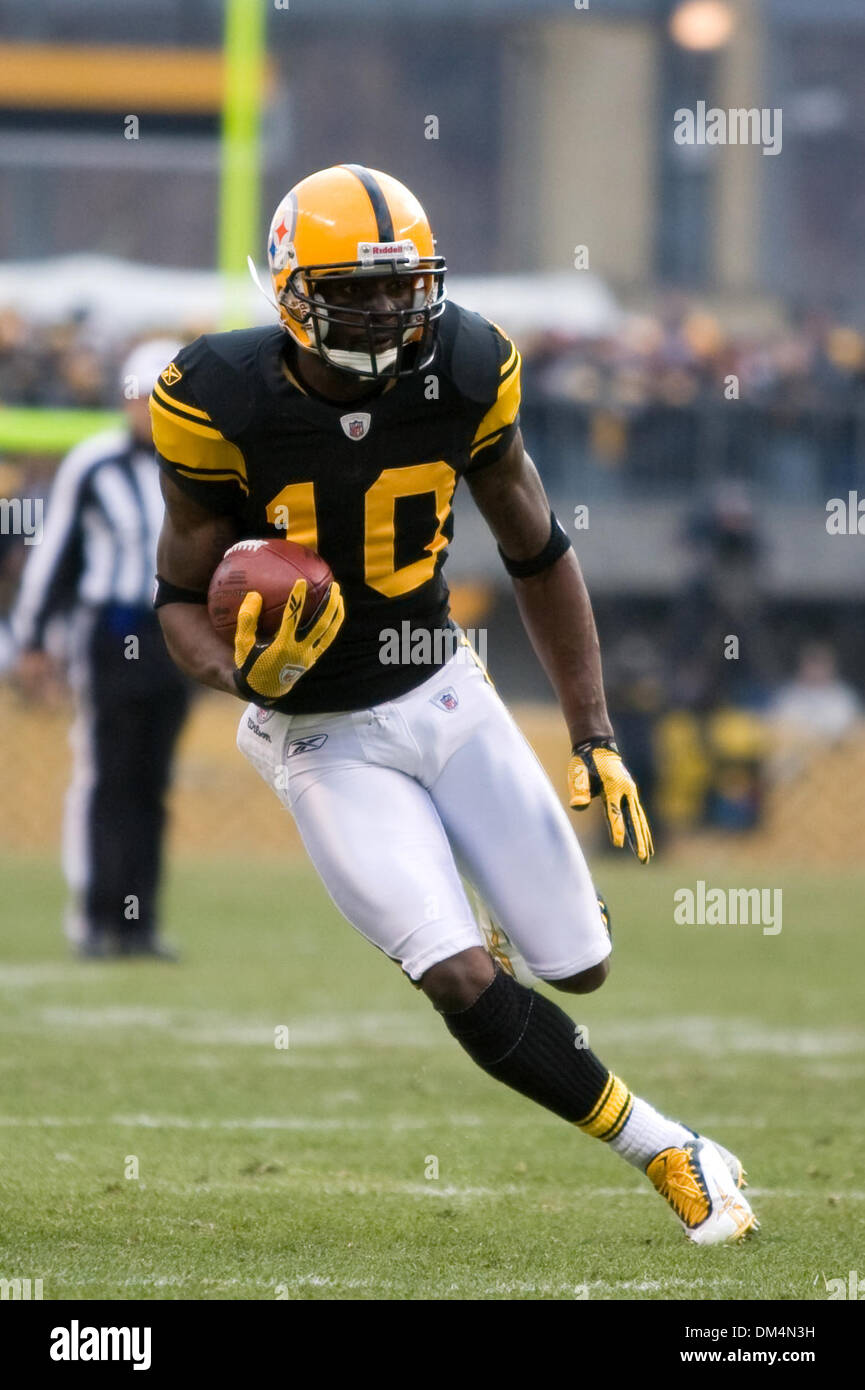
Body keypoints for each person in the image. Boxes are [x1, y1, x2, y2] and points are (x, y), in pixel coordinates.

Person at [150, 165, 757, 1243]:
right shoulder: (218, 396)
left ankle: (507, 937)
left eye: (403, 287)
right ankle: (668, 1146)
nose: (387, 311)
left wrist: (593, 731)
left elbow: (539, 551)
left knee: (579, 966)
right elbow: (179, 605)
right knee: (461, 976)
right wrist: (251, 677)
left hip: (441, 691)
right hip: (320, 733)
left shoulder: (469, 364)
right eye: (357, 288)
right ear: (292, 288)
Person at [12, 339, 190, 959]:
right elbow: (54, 557)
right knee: (105, 776)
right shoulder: (94, 464)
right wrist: (33, 639)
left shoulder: (203, 467)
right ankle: (95, 919)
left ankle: (138, 924)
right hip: (113, 635)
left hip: (177, 637)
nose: (146, 410)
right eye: (139, 397)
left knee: (151, 781)